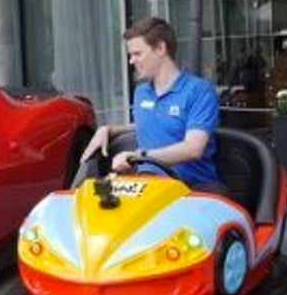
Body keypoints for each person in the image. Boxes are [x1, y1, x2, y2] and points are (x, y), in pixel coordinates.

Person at [82, 16, 226, 193]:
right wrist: (109, 130)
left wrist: (141, 156)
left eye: (137, 54)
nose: (131, 61)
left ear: (160, 48)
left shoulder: (199, 91)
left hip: (193, 190)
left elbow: (193, 148)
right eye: (130, 55)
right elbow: (154, 122)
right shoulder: (141, 93)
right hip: (148, 189)